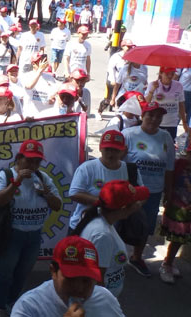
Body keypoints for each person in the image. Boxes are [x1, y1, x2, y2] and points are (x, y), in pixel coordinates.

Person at [0, 139, 62, 317]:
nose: (32, 164)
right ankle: (0, 307)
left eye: (37, 161)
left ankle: (12, 301)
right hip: (12, 234)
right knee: (5, 272)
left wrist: (46, 193)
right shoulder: (6, 175)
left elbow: (57, 205)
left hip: (34, 234)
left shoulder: (43, 178)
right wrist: (17, 181)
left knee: (23, 273)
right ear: (19, 158)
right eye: (28, 160)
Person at [122, 101, 175, 277]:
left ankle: (136, 257)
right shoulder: (129, 134)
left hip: (153, 190)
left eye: (158, 116)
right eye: (150, 115)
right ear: (142, 116)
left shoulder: (166, 137)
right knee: (119, 222)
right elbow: (116, 160)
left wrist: (168, 191)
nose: (154, 119)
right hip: (129, 189)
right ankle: (114, 255)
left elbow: (169, 167)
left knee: (146, 226)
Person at [10, 236, 124, 317]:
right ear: (53, 271)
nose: (78, 288)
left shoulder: (105, 298)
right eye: (70, 279)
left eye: (86, 280)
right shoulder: (29, 307)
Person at [71, 180, 148, 297]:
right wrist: (105, 305)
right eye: (135, 201)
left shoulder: (102, 220)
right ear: (124, 207)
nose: (139, 203)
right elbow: (96, 281)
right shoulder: (103, 236)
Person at [69, 130, 144, 231]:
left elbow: (142, 195)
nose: (110, 154)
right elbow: (74, 193)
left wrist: (130, 209)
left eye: (115, 150)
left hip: (115, 229)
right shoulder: (87, 168)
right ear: (100, 148)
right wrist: (105, 203)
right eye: (107, 149)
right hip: (84, 226)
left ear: (123, 150)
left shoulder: (131, 170)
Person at [159, 157, 191, 283]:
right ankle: (167, 264)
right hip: (178, 207)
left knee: (181, 239)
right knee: (177, 238)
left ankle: (169, 262)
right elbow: (169, 182)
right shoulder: (179, 163)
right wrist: (168, 196)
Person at [145, 66, 188, 140]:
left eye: (172, 73)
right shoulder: (153, 85)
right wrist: (152, 91)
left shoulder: (178, 86)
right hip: (156, 122)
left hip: (172, 122)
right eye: (167, 73)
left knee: (169, 146)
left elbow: (181, 104)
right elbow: (146, 103)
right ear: (161, 73)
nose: (170, 76)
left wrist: (184, 122)